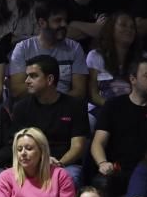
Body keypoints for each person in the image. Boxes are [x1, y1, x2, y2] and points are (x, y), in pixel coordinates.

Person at [90, 55, 147, 197]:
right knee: (102, 182)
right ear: (133, 79)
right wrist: (102, 163)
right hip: (120, 169)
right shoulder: (114, 105)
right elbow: (98, 142)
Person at [10, 55, 90, 188]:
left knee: (72, 176)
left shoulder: (75, 106)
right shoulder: (21, 108)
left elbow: (78, 147)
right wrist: (40, 164)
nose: (27, 81)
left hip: (65, 163)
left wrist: (57, 164)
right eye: (27, 76)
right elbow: (16, 145)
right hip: (30, 163)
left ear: (50, 79)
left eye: (33, 76)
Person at [8, 0, 88, 101]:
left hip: (64, 106)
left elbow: (79, 92)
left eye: (65, 20)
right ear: (42, 23)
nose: (64, 24)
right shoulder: (23, 48)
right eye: (58, 20)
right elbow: (17, 91)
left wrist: (54, 102)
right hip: (32, 106)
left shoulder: (75, 48)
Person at [87, 12, 138, 112]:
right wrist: (115, 108)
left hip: (133, 110)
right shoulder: (95, 56)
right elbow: (93, 94)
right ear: (110, 29)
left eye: (132, 27)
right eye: (123, 25)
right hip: (102, 108)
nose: (129, 30)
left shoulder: (143, 57)